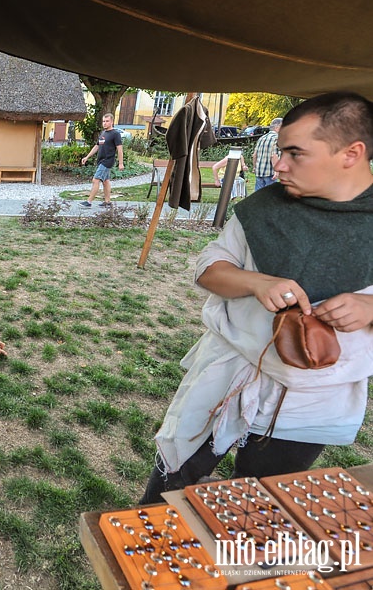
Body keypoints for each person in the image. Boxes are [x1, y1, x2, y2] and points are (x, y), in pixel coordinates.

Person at [141, 92, 373, 504]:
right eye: (280, 150)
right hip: (227, 375)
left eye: (295, 153)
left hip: (311, 399)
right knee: (167, 489)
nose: (279, 164)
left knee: (256, 505)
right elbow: (209, 267)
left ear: (351, 153)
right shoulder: (265, 209)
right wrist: (255, 282)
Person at [80, 113, 124, 208]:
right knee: (106, 181)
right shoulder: (103, 133)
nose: (105, 123)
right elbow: (97, 146)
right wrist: (87, 157)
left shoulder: (115, 134)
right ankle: (107, 202)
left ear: (112, 122)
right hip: (100, 161)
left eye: (107, 121)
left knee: (95, 180)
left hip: (107, 161)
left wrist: (121, 163)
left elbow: (120, 149)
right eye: (103, 121)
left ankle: (89, 202)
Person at [252, 117, 283, 191]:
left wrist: (254, 167)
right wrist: (276, 171)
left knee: (258, 196)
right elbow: (274, 156)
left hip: (259, 171)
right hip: (270, 173)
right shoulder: (277, 138)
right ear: (278, 127)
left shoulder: (262, 138)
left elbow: (254, 155)